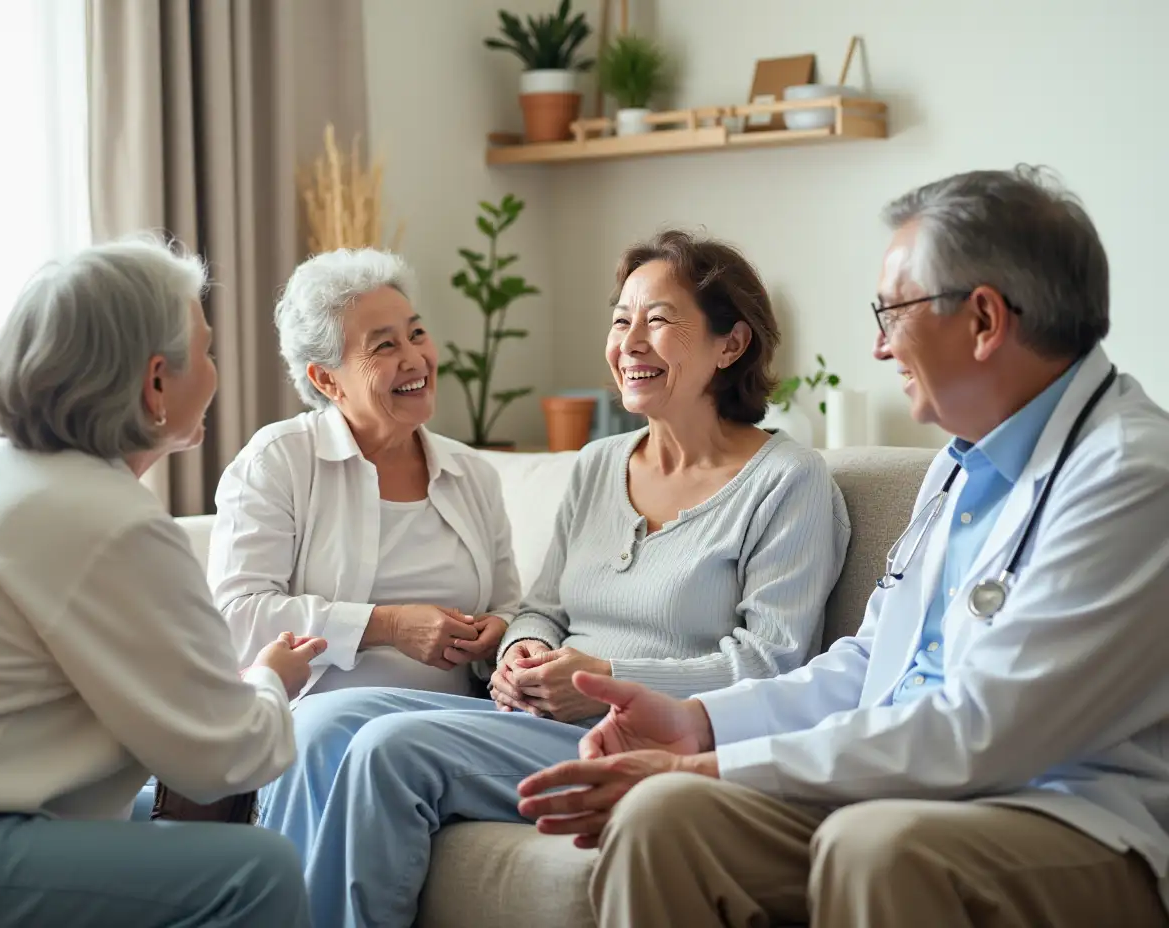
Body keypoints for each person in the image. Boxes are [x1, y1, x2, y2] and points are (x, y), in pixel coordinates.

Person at [517, 167, 1169, 928]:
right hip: (903, 793)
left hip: (1071, 820)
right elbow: (868, 666)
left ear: (984, 320)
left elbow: (980, 734)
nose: (879, 346)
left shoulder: (1128, 477)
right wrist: (696, 721)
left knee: (876, 844)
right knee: (664, 817)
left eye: (891, 313)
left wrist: (714, 764)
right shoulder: (960, 466)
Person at [260, 230, 852, 927]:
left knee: (393, 750)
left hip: (643, 736)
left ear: (732, 344)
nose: (630, 341)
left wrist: (600, 676)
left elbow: (772, 664)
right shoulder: (599, 464)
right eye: (621, 319)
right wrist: (519, 652)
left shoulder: (789, 483)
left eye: (657, 320)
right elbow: (541, 608)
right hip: (543, 718)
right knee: (324, 721)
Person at [0, 238, 324, 928]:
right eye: (205, 352)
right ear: (154, 382)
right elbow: (229, 757)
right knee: (257, 870)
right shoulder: (110, 521)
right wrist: (271, 680)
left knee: (183, 828)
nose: (213, 372)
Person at [208, 248, 521, 699]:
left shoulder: (472, 473)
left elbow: (509, 606)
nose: (415, 358)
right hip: (324, 715)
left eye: (416, 334)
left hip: (456, 722)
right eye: (385, 345)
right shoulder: (279, 460)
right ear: (326, 381)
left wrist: (501, 632)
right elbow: (236, 618)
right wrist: (388, 626)